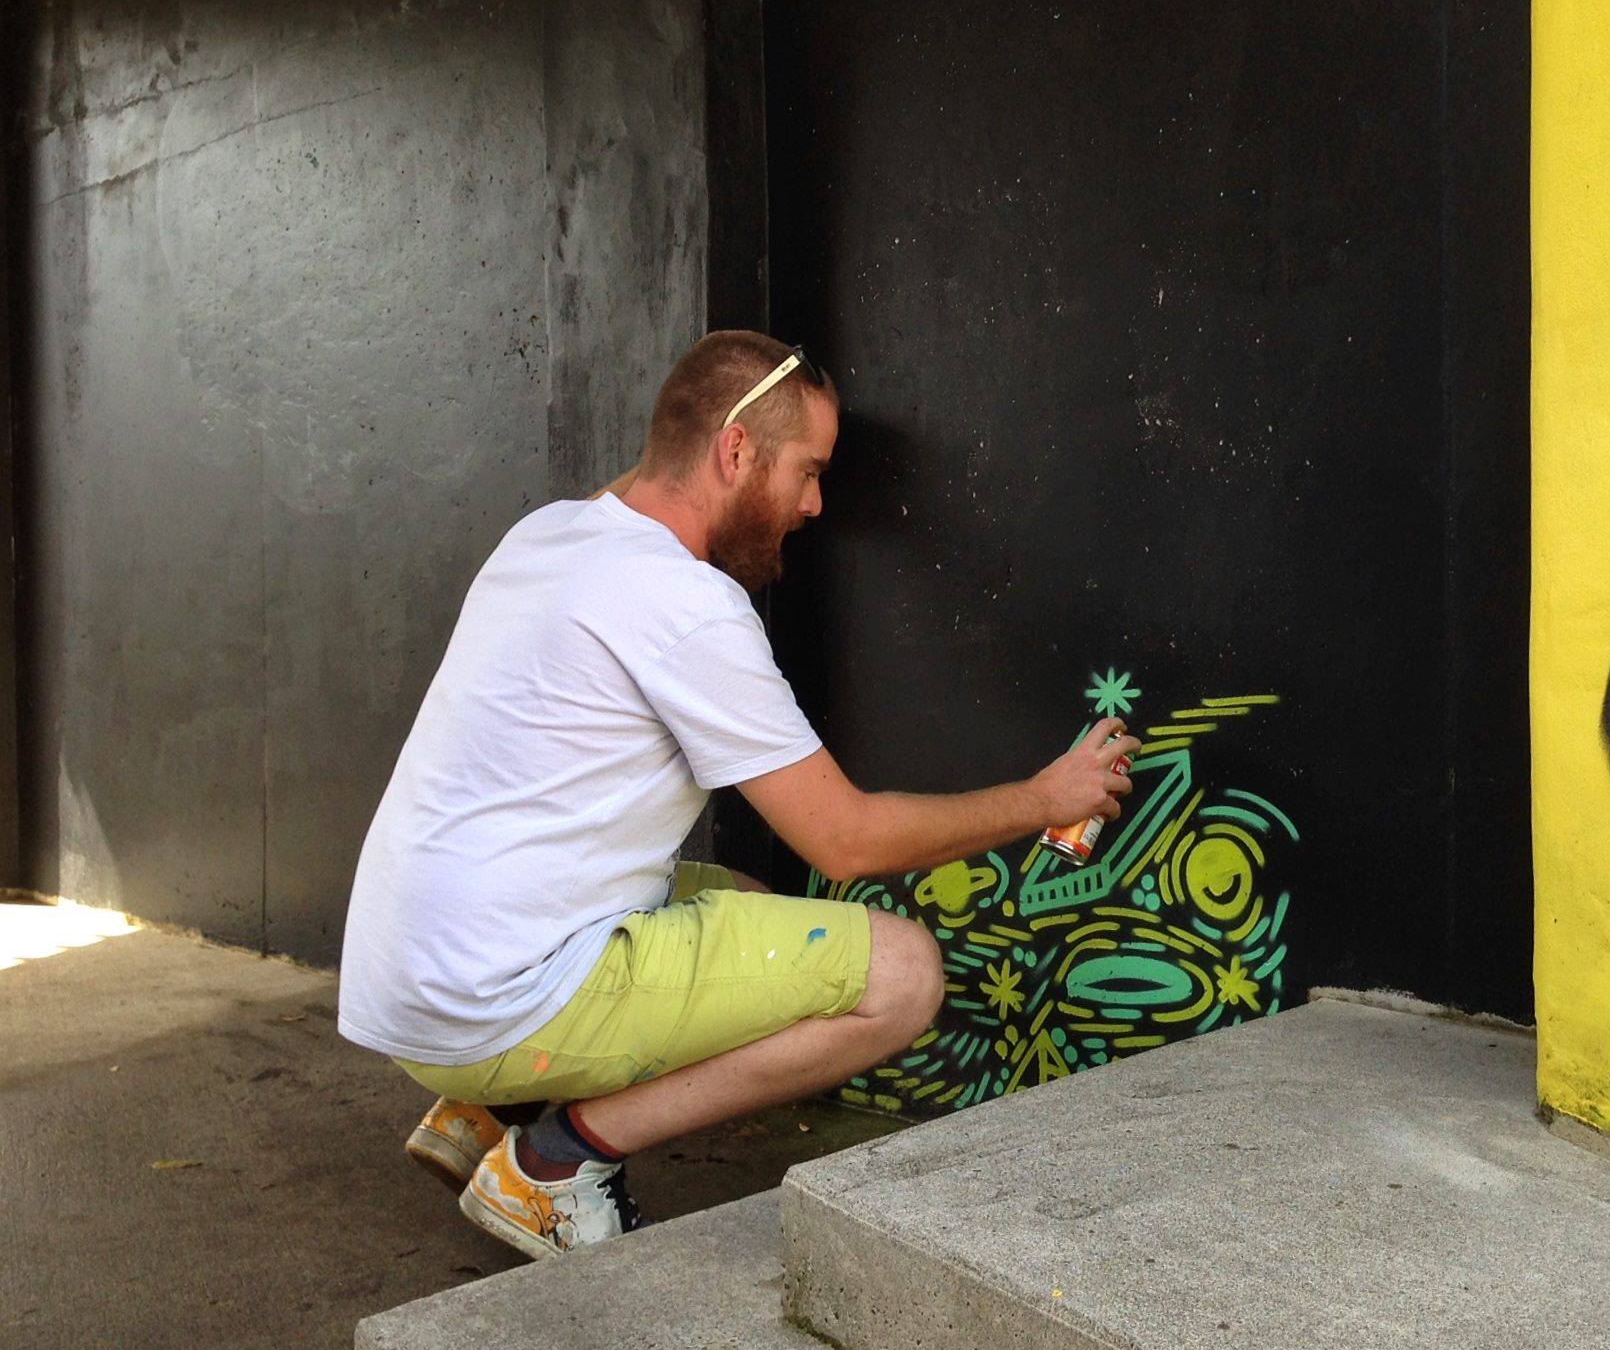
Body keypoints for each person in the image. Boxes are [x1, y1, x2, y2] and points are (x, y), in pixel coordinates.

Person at [338, 329, 1137, 1259]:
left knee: (753, 906)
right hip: (490, 1000)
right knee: (901, 977)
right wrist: (1044, 799)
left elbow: (659, 472)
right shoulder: (685, 604)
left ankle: (480, 1112)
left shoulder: (552, 532)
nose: (816, 503)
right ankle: (553, 1166)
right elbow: (845, 840)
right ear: (735, 450)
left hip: (415, 980)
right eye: (809, 470)